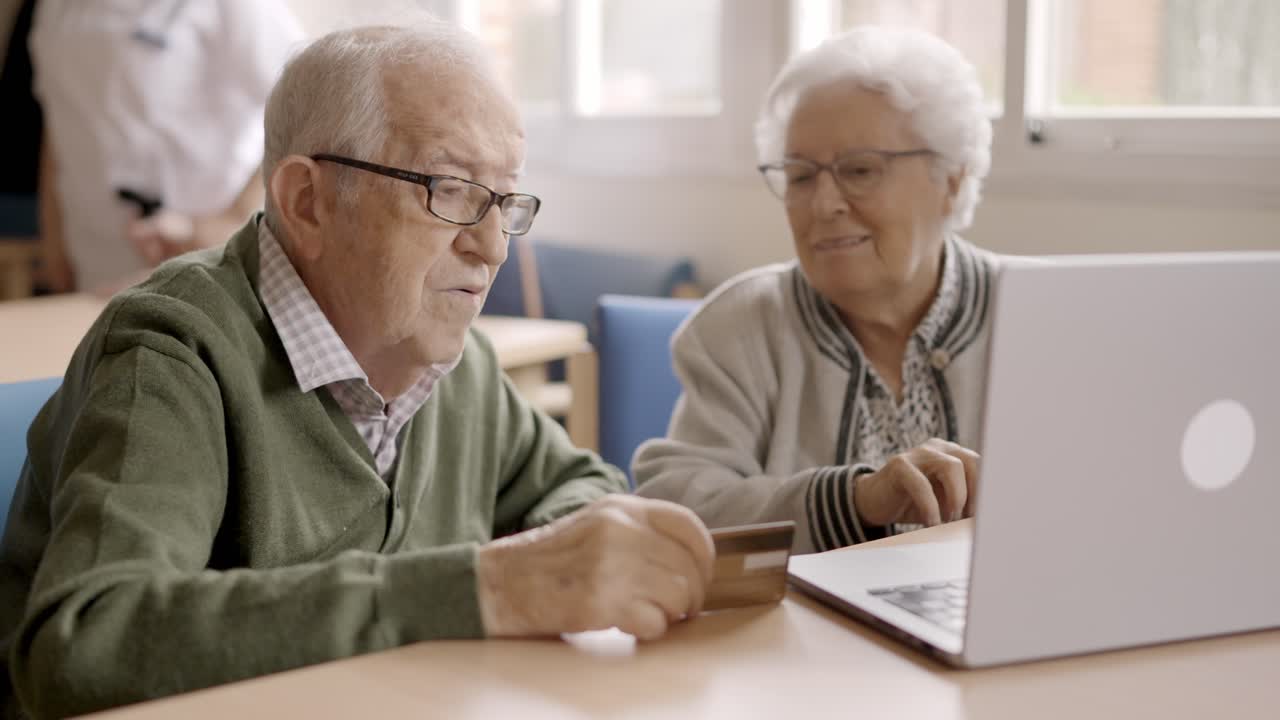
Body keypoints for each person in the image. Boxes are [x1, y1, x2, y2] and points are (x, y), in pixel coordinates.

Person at [0, 22, 714, 719]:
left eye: (503, 199)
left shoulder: (454, 360)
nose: (492, 247)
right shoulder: (172, 352)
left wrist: (573, 560)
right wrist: (486, 590)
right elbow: (88, 641)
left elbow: (572, 487)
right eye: (450, 187)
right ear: (307, 202)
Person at [634, 27, 1000, 554]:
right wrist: (855, 500)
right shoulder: (741, 324)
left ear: (953, 179)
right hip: (800, 636)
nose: (823, 204)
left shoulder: (1044, 314)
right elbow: (678, 510)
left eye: (859, 170)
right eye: (801, 176)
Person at [29, 0, 304, 296]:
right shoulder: (54, 8)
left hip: (200, 261)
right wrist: (54, 240)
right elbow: (60, 122)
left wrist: (233, 218)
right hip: (92, 258)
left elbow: (304, 108)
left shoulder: (234, 8)